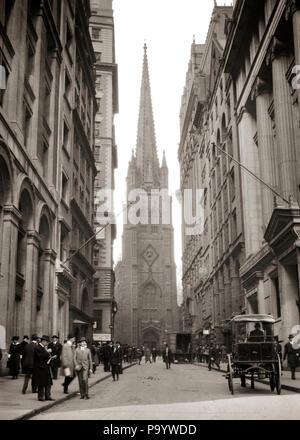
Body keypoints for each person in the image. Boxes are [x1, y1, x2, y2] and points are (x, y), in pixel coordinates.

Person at [33, 335, 54, 401]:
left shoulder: (44, 347)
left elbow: (46, 357)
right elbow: (40, 357)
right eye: (47, 342)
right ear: (43, 341)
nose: (47, 343)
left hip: (46, 367)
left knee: (48, 383)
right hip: (40, 368)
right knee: (41, 383)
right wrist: (47, 352)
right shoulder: (37, 348)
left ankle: (48, 396)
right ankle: (40, 396)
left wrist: (51, 358)